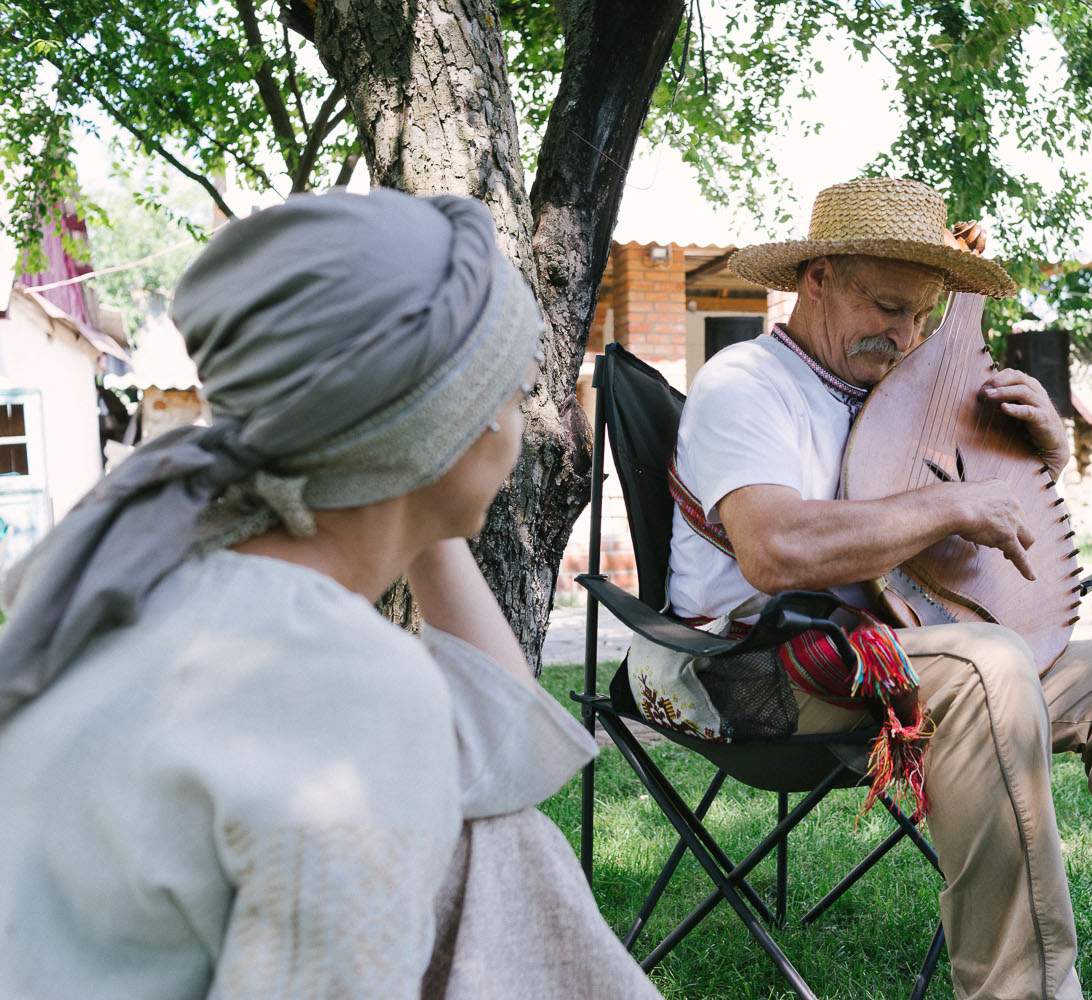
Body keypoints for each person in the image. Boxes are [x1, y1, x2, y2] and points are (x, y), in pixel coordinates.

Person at [633, 178, 1092, 1000]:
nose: (903, 337)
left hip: (901, 663)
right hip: (754, 672)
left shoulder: (897, 400)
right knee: (988, 665)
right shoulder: (748, 382)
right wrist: (949, 501)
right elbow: (774, 549)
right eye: (886, 306)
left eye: (921, 316)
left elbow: (986, 557)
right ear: (818, 277)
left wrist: (1041, 458)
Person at [0, 190, 660, 1000]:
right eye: (517, 388)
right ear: (452, 423)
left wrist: (413, 482)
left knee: (499, 840)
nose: (525, 425)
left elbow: (502, 750)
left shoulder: (159, 585)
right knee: (506, 853)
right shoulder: (345, 685)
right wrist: (417, 465)